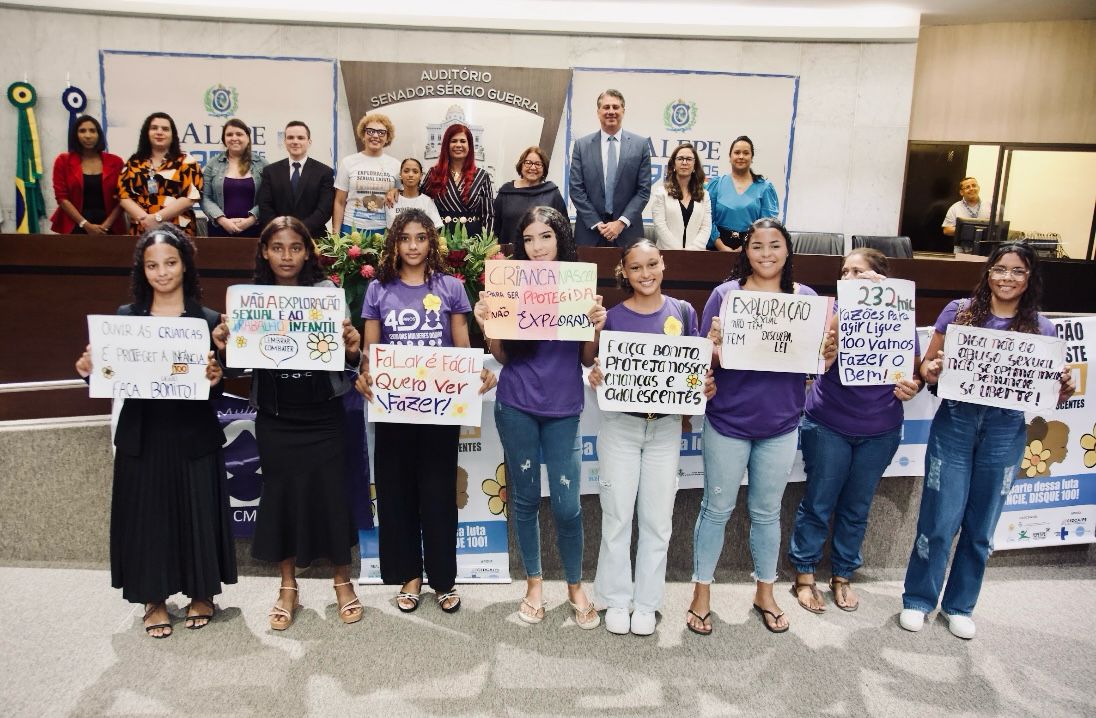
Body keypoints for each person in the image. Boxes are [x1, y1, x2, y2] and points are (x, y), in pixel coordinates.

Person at [900, 242, 1074, 640]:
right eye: (1000, 269)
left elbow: (1051, 396)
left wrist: (1063, 388)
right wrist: (934, 368)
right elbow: (927, 370)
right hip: (956, 424)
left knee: (981, 527)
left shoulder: (1042, 329)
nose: (1007, 278)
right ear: (988, 272)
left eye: (1017, 271)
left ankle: (960, 605)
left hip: (1005, 430)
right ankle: (918, 599)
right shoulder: (958, 313)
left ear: (1029, 279)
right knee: (939, 520)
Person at [74, 225, 236, 638]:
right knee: (149, 517)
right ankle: (153, 598)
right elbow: (107, 376)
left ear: (185, 265)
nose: (162, 272)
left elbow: (220, 380)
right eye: (152, 265)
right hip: (143, 434)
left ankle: (203, 592)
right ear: (141, 270)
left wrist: (217, 375)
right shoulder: (125, 319)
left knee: (197, 512)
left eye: (170, 263)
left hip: (193, 432)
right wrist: (88, 371)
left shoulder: (209, 319)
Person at [687, 217, 831, 636]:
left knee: (767, 513)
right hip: (728, 421)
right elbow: (702, 359)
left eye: (775, 245)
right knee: (715, 510)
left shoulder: (805, 300)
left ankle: (764, 591)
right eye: (757, 246)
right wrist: (711, 347)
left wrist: (828, 352)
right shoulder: (725, 295)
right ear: (745, 252)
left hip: (781, 424)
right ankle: (701, 593)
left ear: (787, 251)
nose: (766, 253)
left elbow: (817, 365)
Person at [221, 216, 363, 631]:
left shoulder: (326, 294)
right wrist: (226, 342)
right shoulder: (251, 300)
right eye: (278, 248)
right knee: (281, 497)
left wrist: (353, 348)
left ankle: (342, 582)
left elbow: (349, 358)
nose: (287, 256)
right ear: (264, 251)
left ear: (308, 252)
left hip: (323, 414)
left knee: (333, 496)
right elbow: (235, 365)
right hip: (276, 418)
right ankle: (288, 587)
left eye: (296, 248)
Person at [356, 209, 495, 614]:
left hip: (439, 409)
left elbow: (460, 346)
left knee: (437, 494)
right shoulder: (378, 290)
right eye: (405, 238)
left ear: (432, 242)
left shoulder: (450, 286)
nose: (413, 246)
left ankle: (443, 579)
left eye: (420, 238)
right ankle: (409, 577)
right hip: (394, 409)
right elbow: (370, 351)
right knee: (397, 494)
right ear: (394, 243)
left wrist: (477, 373)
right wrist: (366, 375)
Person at [473, 206, 606, 628]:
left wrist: (595, 328)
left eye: (545, 237)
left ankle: (574, 585)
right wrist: (488, 327)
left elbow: (587, 358)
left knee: (568, 507)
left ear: (560, 238)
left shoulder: (577, 283)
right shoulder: (509, 285)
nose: (536, 247)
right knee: (526, 499)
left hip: (565, 406)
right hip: (516, 405)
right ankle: (533, 584)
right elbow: (502, 355)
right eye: (528, 239)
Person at [586, 239, 715, 636]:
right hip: (621, 426)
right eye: (636, 267)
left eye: (652, 264)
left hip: (664, 428)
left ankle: (646, 603)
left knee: (658, 520)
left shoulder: (684, 312)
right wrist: (595, 373)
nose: (646, 273)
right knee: (617, 515)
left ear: (664, 264)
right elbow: (592, 362)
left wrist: (702, 386)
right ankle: (617, 599)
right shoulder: (611, 317)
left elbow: (694, 370)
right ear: (623, 272)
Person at [788, 248, 922, 614]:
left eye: (858, 272)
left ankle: (843, 574)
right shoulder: (832, 312)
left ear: (881, 279)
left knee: (857, 507)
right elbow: (815, 361)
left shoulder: (901, 317)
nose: (848, 278)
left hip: (880, 429)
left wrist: (915, 385)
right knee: (818, 502)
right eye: (844, 272)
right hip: (828, 422)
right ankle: (804, 573)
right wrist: (850, 306)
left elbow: (915, 373)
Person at [568, 89, 652, 247]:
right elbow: (576, 189)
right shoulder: (581, 146)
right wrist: (597, 223)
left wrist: (620, 223)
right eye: (606, 107)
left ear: (623, 111)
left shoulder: (640, 146)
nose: (611, 111)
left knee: (626, 273)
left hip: (627, 232)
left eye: (616, 107)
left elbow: (643, 191)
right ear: (598, 112)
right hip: (590, 231)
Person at [118, 112, 203, 236]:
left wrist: (157, 218)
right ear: (147, 133)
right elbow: (123, 196)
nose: (159, 132)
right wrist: (145, 220)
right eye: (154, 128)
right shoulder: (134, 162)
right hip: (142, 229)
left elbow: (191, 197)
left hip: (178, 229)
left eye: (165, 129)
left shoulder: (186, 161)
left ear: (172, 135)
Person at [256, 121, 335, 240]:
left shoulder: (324, 172)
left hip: (313, 238)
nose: (295, 141)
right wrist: (281, 229)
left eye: (300, 138)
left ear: (309, 142)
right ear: (285, 142)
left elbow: (324, 209)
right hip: (278, 237)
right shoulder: (270, 171)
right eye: (290, 137)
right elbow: (265, 206)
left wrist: (300, 229)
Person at [49, 114, 125, 234]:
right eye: (82, 131)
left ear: (99, 134)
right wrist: (85, 224)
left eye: (92, 131)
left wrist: (106, 225)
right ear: (75, 135)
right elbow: (62, 198)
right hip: (74, 225)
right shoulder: (63, 161)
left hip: (109, 227)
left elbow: (123, 197)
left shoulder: (116, 162)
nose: (88, 135)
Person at [707, 135, 778, 253]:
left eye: (746, 153)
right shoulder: (716, 184)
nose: (741, 156)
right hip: (717, 248)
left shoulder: (764, 187)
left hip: (752, 249)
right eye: (737, 152)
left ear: (752, 158)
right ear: (730, 157)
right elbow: (707, 220)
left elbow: (767, 225)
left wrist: (745, 248)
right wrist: (721, 247)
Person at [333, 113, 401, 237]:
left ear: (387, 137)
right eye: (370, 131)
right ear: (363, 134)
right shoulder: (348, 162)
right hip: (351, 229)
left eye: (381, 132)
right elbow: (339, 201)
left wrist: (397, 190)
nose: (375, 135)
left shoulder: (396, 165)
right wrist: (335, 235)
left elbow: (403, 196)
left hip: (384, 230)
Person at [421, 123, 494, 237]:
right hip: (441, 239)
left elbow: (489, 214)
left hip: (474, 242)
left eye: (463, 141)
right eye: (453, 141)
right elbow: (419, 202)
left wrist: (485, 245)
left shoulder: (482, 176)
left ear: (469, 146)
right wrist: (397, 192)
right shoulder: (434, 173)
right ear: (446, 145)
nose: (458, 145)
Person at [200, 117, 266, 237]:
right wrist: (222, 220)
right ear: (224, 139)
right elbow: (205, 197)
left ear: (248, 138)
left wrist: (250, 220)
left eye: (239, 134)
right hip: (219, 230)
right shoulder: (212, 164)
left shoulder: (262, 164)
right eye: (229, 134)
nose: (234, 138)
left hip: (255, 230)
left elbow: (268, 198)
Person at [492, 146, 567, 245]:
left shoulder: (553, 193)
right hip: (509, 255)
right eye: (528, 163)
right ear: (521, 165)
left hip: (542, 254)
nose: (533, 167)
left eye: (538, 164)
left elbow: (564, 230)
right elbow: (494, 228)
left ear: (544, 168)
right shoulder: (506, 192)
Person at [648, 142, 711, 251]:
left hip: (696, 255)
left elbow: (706, 227)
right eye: (680, 158)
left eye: (689, 159)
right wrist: (678, 252)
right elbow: (660, 225)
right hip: (667, 254)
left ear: (695, 165)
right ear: (673, 164)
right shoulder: (661, 193)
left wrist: (692, 250)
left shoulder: (705, 195)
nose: (684, 162)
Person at [384, 158, 443, 229]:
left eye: (415, 172)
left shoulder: (427, 201)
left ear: (421, 176)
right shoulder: (392, 200)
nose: (410, 175)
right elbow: (389, 229)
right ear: (400, 174)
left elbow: (436, 228)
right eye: (406, 171)